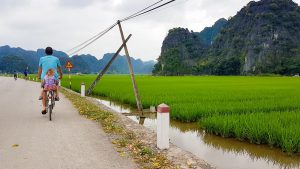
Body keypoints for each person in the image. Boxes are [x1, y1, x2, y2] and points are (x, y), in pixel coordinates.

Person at [38, 47, 63, 115]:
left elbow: (40, 69)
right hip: (54, 77)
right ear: (52, 52)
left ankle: (43, 107)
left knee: (44, 90)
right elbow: (59, 69)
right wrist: (61, 75)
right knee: (56, 86)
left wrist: (39, 77)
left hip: (44, 78)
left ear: (45, 52)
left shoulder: (42, 59)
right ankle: (56, 96)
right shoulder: (56, 59)